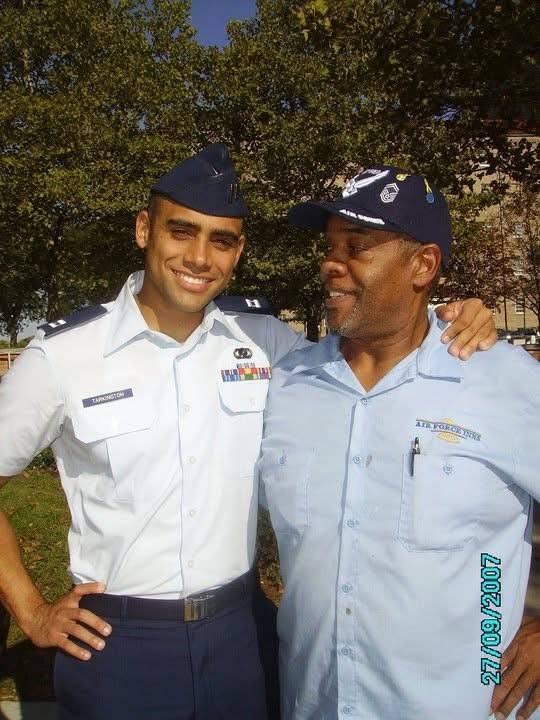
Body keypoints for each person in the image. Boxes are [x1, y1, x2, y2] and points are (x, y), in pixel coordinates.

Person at [0, 146, 495, 720]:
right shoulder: (65, 356)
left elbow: (378, 346)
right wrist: (31, 609)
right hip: (119, 643)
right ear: (144, 230)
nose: (199, 257)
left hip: (242, 636)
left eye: (222, 240)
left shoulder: (267, 342)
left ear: (239, 251)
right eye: (181, 232)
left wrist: (445, 319)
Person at [259, 165, 540, 720]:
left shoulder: (503, 381)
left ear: (423, 265)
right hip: (316, 703)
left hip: (465, 704)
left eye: (356, 245)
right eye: (330, 245)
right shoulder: (288, 384)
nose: (330, 263)